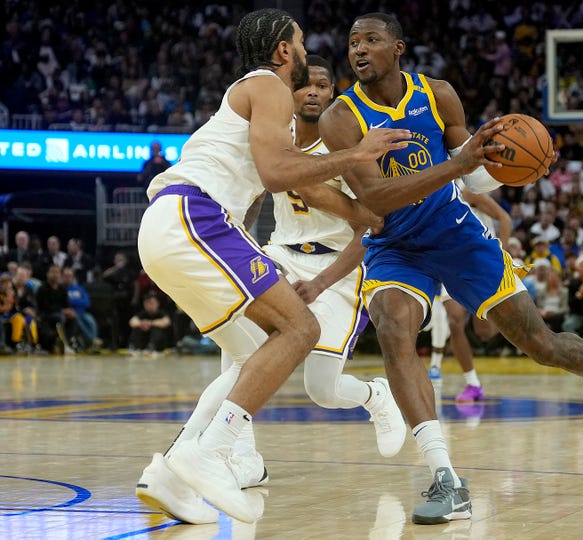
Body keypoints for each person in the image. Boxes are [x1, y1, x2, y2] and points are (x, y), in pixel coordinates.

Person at [319, 12, 583, 525]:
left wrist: (511, 167)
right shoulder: (341, 117)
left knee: (541, 344)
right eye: (353, 42)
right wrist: (459, 165)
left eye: (371, 40)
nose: (358, 49)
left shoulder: (438, 94)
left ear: (398, 48)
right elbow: (376, 194)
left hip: (455, 233)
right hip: (395, 244)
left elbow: (477, 174)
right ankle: (447, 478)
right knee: (394, 327)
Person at [135, 8, 410, 525]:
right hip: (196, 216)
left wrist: (366, 214)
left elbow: (296, 184)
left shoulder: (263, 102)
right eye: (302, 44)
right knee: (300, 328)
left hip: (171, 229)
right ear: (285, 50)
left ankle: (172, 473)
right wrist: (358, 157)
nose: (307, 54)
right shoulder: (269, 85)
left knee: (254, 351)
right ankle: (211, 454)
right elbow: (279, 173)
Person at [259, 54, 405, 456]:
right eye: (305, 84)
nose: (313, 92)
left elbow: (372, 225)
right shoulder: (275, 137)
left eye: (323, 86)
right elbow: (256, 193)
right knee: (239, 338)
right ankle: (238, 455)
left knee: (321, 390)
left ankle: (375, 395)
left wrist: (321, 283)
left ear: (331, 94)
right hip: (280, 253)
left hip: (336, 268)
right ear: (289, 90)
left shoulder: (347, 147)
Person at [428, 181, 512, 403]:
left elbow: (505, 219)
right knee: (454, 321)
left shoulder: (469, 192)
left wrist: (501, 255)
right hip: (451, 262)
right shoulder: (434, 193)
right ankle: (473, 384)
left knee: (485, 331)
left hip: (481, 262)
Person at [63, 267, 101, 351]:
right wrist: (77, 301)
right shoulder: (61, 289)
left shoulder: (79, 289)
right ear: (62, 277)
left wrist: (72, 301)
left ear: (73, 278)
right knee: (77, 320)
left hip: (82, 312)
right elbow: (64, 302)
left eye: (70, 276)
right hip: (69, 313)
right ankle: (92, 341)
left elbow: (87, 302)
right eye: (66, 276)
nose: (68, 278)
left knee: (91, 320)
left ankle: (92, 342)